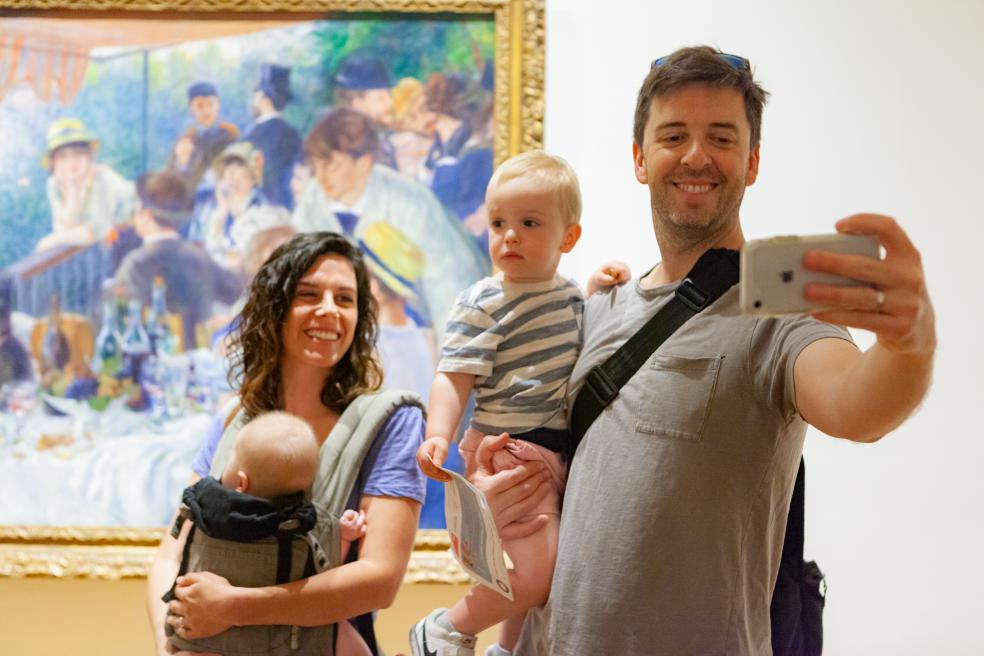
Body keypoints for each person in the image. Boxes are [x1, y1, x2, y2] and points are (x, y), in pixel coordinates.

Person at [467, 46, 935, 656]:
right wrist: (497, 492)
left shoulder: (778, 313)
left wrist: (909, 344)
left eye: (720, 137)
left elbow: (857, 405)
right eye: (673, 136)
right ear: (640, 158)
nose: (695, 156)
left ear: (752, 160)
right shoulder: (598, 309)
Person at [147, 231, 426, 656]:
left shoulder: (392, 422)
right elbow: (173, 553)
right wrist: (170, 644)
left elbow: (379, 580)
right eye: (309, 294)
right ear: (274, 308)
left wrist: (235, 608)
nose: (329, 310)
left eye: (345, 299)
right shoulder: (231, 420)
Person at [411, 151, 589, 656]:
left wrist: (604, 285)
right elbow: (453, 377)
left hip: (556, 450)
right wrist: (438, 434)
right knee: (535, 576)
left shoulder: (572, 298)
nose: (509, 235)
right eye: (498, 223)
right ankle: (446, 627)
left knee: (537, 568)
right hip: (508, 446)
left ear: (568, 237)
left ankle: (506, 651)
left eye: (528, 223)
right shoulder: (483, 302)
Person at [162, 411, 371, 656]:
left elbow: (178, 559)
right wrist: (342, 536)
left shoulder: (203, 508)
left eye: (232, 455)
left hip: (207, 640)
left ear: (242, 482)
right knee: (341, 635)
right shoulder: (298, 527)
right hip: (280, 639)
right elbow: (326, 571)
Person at [291, 107, 489, 340]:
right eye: (317, 166)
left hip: (415, 331)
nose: (321, 176)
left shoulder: (410, 203)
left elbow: (449, 288)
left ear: (364, 163)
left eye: (332, 165)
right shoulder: (312, 202)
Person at [113, 171, 244, 351]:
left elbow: (119, 323)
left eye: (135, 207)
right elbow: (238, 290)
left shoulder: (136, 263)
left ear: (146, 214)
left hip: (153, 365)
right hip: (197, 361)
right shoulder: (200, 256)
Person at [35, 117, 136, 252]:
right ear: (53, 162)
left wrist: (50, 241)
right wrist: (73, 189)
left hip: (136, 233)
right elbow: (63, 228)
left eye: (78, 154)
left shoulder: (103, 179)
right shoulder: (54, 183)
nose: (71, 162)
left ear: (89, 156)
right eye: (63, 156)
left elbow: (98, 232)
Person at [245, 63, 304, 210]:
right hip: (287, 209)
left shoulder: (251, 136)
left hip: (258, 210)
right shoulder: (293, 134)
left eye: (256, 94)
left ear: (265, 100)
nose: (253, 100)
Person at [168, 82, 240, 197]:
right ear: (191, 108)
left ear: (218, 105)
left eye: (210, 104)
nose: (206, 111)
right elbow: (171, 176)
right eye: (200, 106)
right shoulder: (186, 138)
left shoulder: (230, 134)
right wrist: (182, 161)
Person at [334, 54, 398, 170]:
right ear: (358, 105)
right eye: (380, 98)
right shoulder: (349, 149)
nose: (390, 103)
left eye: (389, 94)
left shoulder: (381, 141)